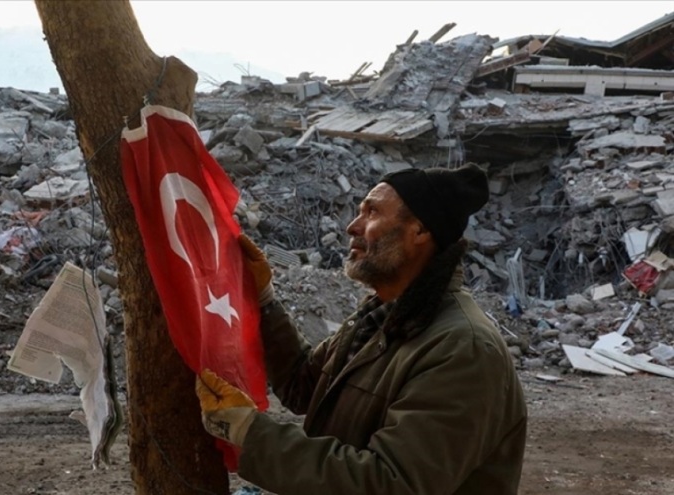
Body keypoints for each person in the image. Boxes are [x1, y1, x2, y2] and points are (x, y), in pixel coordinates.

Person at [196, 164, 527, 495]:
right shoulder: (381, 318)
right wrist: (264, 300)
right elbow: (303, 385)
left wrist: (250, 433)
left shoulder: (462, 349)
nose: (352, 227)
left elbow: (389, 483)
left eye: (372, 212)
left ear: (420, 231)